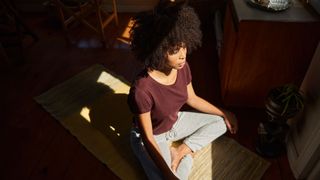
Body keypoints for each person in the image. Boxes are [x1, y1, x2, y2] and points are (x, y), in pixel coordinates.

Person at [127, 1, 238, 179]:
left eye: (184, 46)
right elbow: (148, 139)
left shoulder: (182, 67)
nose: (183, 55)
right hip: (153, 137)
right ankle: (184, 160)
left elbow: (192, 98)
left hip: (175, 122)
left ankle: (181, 152)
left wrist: (224, 113)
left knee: (220, 124)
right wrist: (167, 174)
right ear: (157, 50)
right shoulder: (141, 89)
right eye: (174, 50)